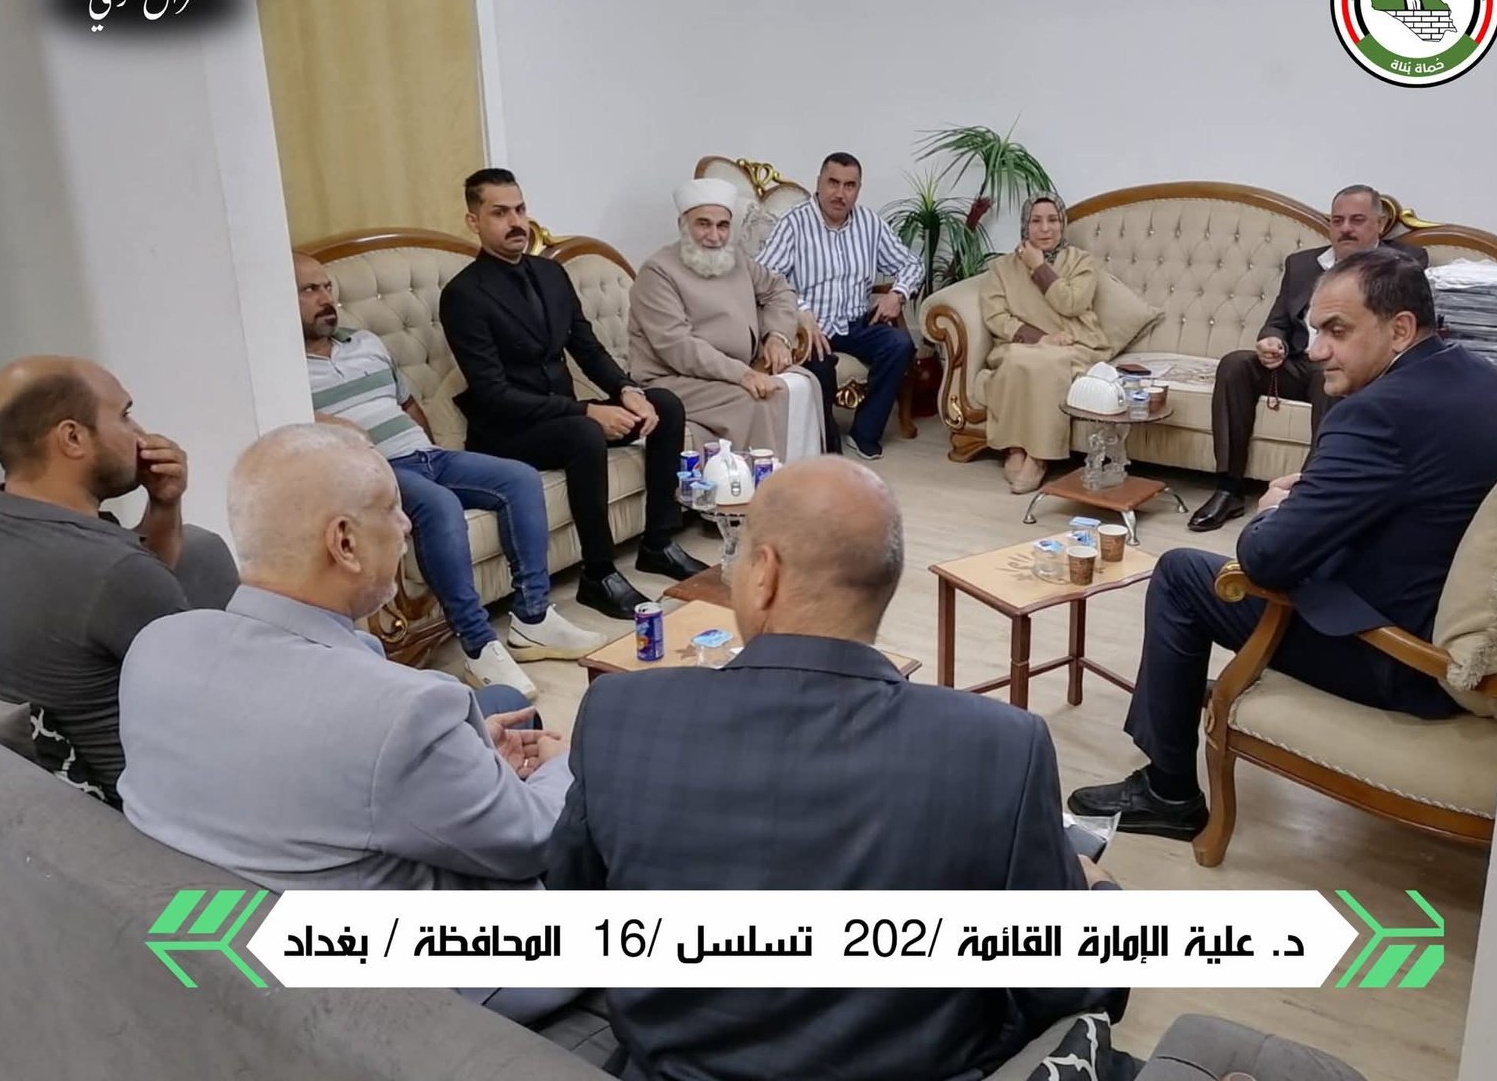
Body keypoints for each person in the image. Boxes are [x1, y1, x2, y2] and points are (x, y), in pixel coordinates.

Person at [549, 455, 1129, 1081]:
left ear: (764, 574)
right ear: (886, 583)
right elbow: (1068, 985)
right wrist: (1099, 894)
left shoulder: (619, 712)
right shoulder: (1001, 746)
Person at [1070, 249, 1497, 839]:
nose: (1316, 350)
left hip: (1402, 659)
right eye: (1315, 330)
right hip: (1475, 634)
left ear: (1400, 329)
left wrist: (1275, 510)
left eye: (1336, 331)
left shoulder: (1377, 414)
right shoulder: (1478, 377)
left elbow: (1265, 560)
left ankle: (1168, 792)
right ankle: (1181, 713)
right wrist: (1323, 501)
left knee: (1181, 575)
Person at [118, 424, 575, 1024]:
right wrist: (572, 763)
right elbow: (533, 842)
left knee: (504, 703)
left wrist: (461, 764)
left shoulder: (156, 644)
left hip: (241, 922)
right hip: (425, 974)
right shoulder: (401, 712)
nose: (407, 525)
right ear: (344, 542)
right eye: (392, 508)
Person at [296, 253, 602, 698]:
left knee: (519, 478)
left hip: (426, 455)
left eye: (327, 287)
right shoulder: (282, 370)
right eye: (309, 290)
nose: (325, 298)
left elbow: (407, 404)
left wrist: (429, 445)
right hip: (373, 472)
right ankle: (479, 646)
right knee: (440, 505)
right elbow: (289, 432)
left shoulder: (364, 342)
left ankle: (533, 617)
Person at [0, 357, 237, 805]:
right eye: (125, 415)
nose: (141, 434)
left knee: (200, 547)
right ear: (72, 438)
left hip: (41, 778)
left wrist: (164, 505)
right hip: (152, 806)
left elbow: (119, 593)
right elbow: (221, 712)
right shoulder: (113, 571)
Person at [441, 168, 706, 621]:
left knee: (664, 404)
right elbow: (494, 394)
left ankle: (659, 543)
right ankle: (598, 574)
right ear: (474, 221)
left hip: (563, 414)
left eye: (520, 209)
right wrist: (588, 411)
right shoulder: (463, 295)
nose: (515, 222)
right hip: (508, 431)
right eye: (499, 213)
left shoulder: (550, 273)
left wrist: (626, 390)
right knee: (585, 433)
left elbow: (587, 348)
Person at [1188, 185, 1429, 531]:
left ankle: (1307, 494)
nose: (1346, 228)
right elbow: (1277, 321)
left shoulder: (1402, 263)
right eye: (1337, 220)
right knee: (1235, 364)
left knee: (1328, 374)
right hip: (1299, 362)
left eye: (1357, 220)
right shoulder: (1302, 264)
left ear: (1380, 223)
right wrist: (1271, 340)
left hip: (1351, 367)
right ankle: (1228, 488)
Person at [628, 178, 823, 461]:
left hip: (739, 369)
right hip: (675, 380)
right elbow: (678, 347)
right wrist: (742, 375)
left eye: (722, 226)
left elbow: (779, 290)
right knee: (756, 399)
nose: (714, 236)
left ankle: (801, 478)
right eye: (703, 224)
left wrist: (778, 337)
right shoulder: (658, 272)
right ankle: (754, 484)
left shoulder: (735, 260)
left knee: (805, 383)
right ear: (683, 224)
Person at [756, 152, 922, 460]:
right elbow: (764, 277)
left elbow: (912, 264)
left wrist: (897, 294)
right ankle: (827, 448)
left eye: (849, 185)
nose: (840, 193)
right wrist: (800, 310)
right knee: (820, 367)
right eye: (833, 183)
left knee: (899, 344)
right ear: (818, 183)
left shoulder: (869, 223)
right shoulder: (794, 223)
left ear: (858, 190)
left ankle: (864, 433)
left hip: (855, 324)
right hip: (810, 328)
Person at [981, 192, 1111, 493]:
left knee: (1050, 364)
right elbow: (996, 316)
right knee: (1015, 359)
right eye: (1036, 221)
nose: (1045, 228)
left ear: (1062, 223)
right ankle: (1015, 447)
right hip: (1024, 345)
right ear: (1025, 226)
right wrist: (1041, 338)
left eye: (1053, 220)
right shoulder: (1002, 268)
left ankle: (1039, 456)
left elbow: (1071, 303)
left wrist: (1039, 266)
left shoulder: (1081, 262)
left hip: (1075, 345)